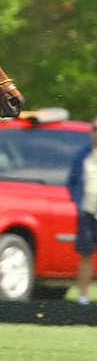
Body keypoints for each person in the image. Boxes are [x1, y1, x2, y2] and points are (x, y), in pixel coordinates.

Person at [66, 116, 97, 305]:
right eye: (95, 128)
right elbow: (72, 181)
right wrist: (78, 201)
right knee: (85, 255)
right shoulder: (83, 155)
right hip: (87, 213)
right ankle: (83, 297)